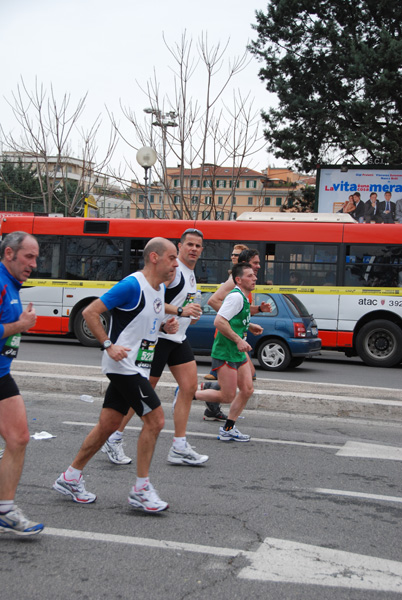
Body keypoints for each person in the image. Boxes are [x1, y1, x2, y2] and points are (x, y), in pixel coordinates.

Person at [53, 237, 179, 513]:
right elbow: (90, 312)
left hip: (137, 366)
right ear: (155, 257)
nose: (176, 263)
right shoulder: (132, 285)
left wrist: (163, 329)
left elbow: (139, 326)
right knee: (156, 421)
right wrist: (108, 345)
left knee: (108, 425)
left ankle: (70, 477)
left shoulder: (158, 290)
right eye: (172, 257)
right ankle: (141, 490)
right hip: (124, 366)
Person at [101, 228, 209, 467]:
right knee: (140, 392)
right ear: (179, 247)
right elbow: (156, 299)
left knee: (189, 387)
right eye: (189, 244)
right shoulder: (173, 272)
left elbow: (179, 304)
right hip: (158, 339)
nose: (193, 249)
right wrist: (178, 312)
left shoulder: (191, 274)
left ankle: (179, 446)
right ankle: (114, 437)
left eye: (198, 246)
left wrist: (190, 314)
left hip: (178, 338)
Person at [0, 231, 44, 536]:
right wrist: (20, 325)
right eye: (29, 256)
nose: (34, 263)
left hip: (1, 374)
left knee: (19, 438)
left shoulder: (12, 286)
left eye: (36, 257)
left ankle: (5, 511)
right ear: (9, 254)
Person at [212, 262, 263, 442]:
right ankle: (188, 393)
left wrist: (250, 326)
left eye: (254, 275)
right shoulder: (235, 297)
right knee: (227, 395)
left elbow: (234, 320)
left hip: (238, 351)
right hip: (226, 350)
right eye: (250, 275)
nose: (255, 278)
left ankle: (228, 429)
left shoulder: (244, 297)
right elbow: (219, 321)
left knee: (247, 390)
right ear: (239, 280)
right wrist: (239, 339)